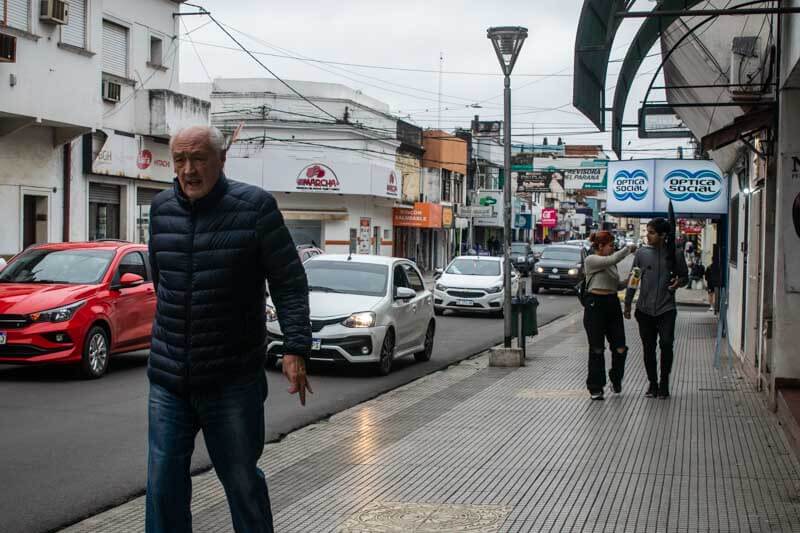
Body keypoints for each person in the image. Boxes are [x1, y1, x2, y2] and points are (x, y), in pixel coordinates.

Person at [146, 126, 312, 533]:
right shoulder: (161, 208)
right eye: (181, 160)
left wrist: (295, 347)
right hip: (169, 377)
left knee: (241, 481)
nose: (188, 170)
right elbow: (161, 279)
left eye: (198, 158)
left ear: (222, 159)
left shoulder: (255, 207)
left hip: (232, 379)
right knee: (162, 483)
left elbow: (288, 282)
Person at [624, 218, 688, 399]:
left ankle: (664, 382)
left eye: (651, 233)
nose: (647, 236)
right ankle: (652, 383)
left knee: (666, 344)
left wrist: (679, 283)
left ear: (663, 235)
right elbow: (634, 279)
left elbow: (684, 277)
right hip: (644, 310)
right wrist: (628, 303)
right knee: (648, 348)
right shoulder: (642, 254)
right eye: (647, 232)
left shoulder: (675, 254)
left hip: (666, 309)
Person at [583, 232, 637, 400]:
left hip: (612, 303)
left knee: (620, 346)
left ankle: (616, 378)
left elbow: (615, 285)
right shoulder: (591, 260)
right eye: (610, 245)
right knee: (597, 348)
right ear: (600, 246)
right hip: (595, 305)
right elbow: (611, 259)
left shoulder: (611, 265)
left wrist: (629, 281)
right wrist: (627, 249)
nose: (613, 248)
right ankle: (596, 387)